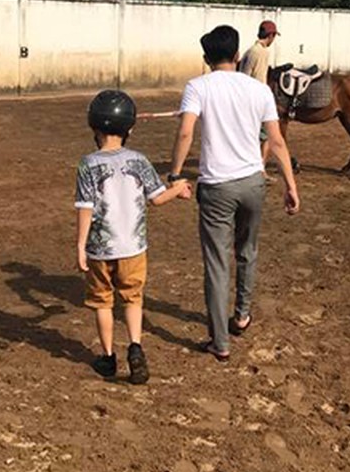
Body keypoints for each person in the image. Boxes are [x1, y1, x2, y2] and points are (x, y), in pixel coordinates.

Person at [169, 25, 300, 362]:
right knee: (247, 251)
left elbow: (186, 133)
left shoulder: (197, 87)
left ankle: (220, 341)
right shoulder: (259, 91)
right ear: (238, 55)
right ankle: (242, 314)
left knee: (216, 263)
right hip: (253, 184)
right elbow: (277, 141)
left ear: (205, 58)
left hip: (217, 186)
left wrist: (175, 174)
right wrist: (290, 184)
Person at [76, 90, 192, 384]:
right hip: (134, 247)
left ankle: (108, 357)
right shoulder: (139, 160)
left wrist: (80, 245)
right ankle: (136, 347)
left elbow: (85, 209)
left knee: (103, 302)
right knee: (132, 299)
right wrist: (178, 189)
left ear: (93, 126)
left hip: (100, 249)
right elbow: (157, 199)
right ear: (129, 128)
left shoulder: (87, 164)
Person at [240, 20, 279, 167]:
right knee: (267, 135)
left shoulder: (250, 51)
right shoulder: (262, 52)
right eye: (274, 36)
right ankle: (260, 167)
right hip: (257, 98)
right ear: (270, 35)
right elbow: (260, 79)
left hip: (247, 96)